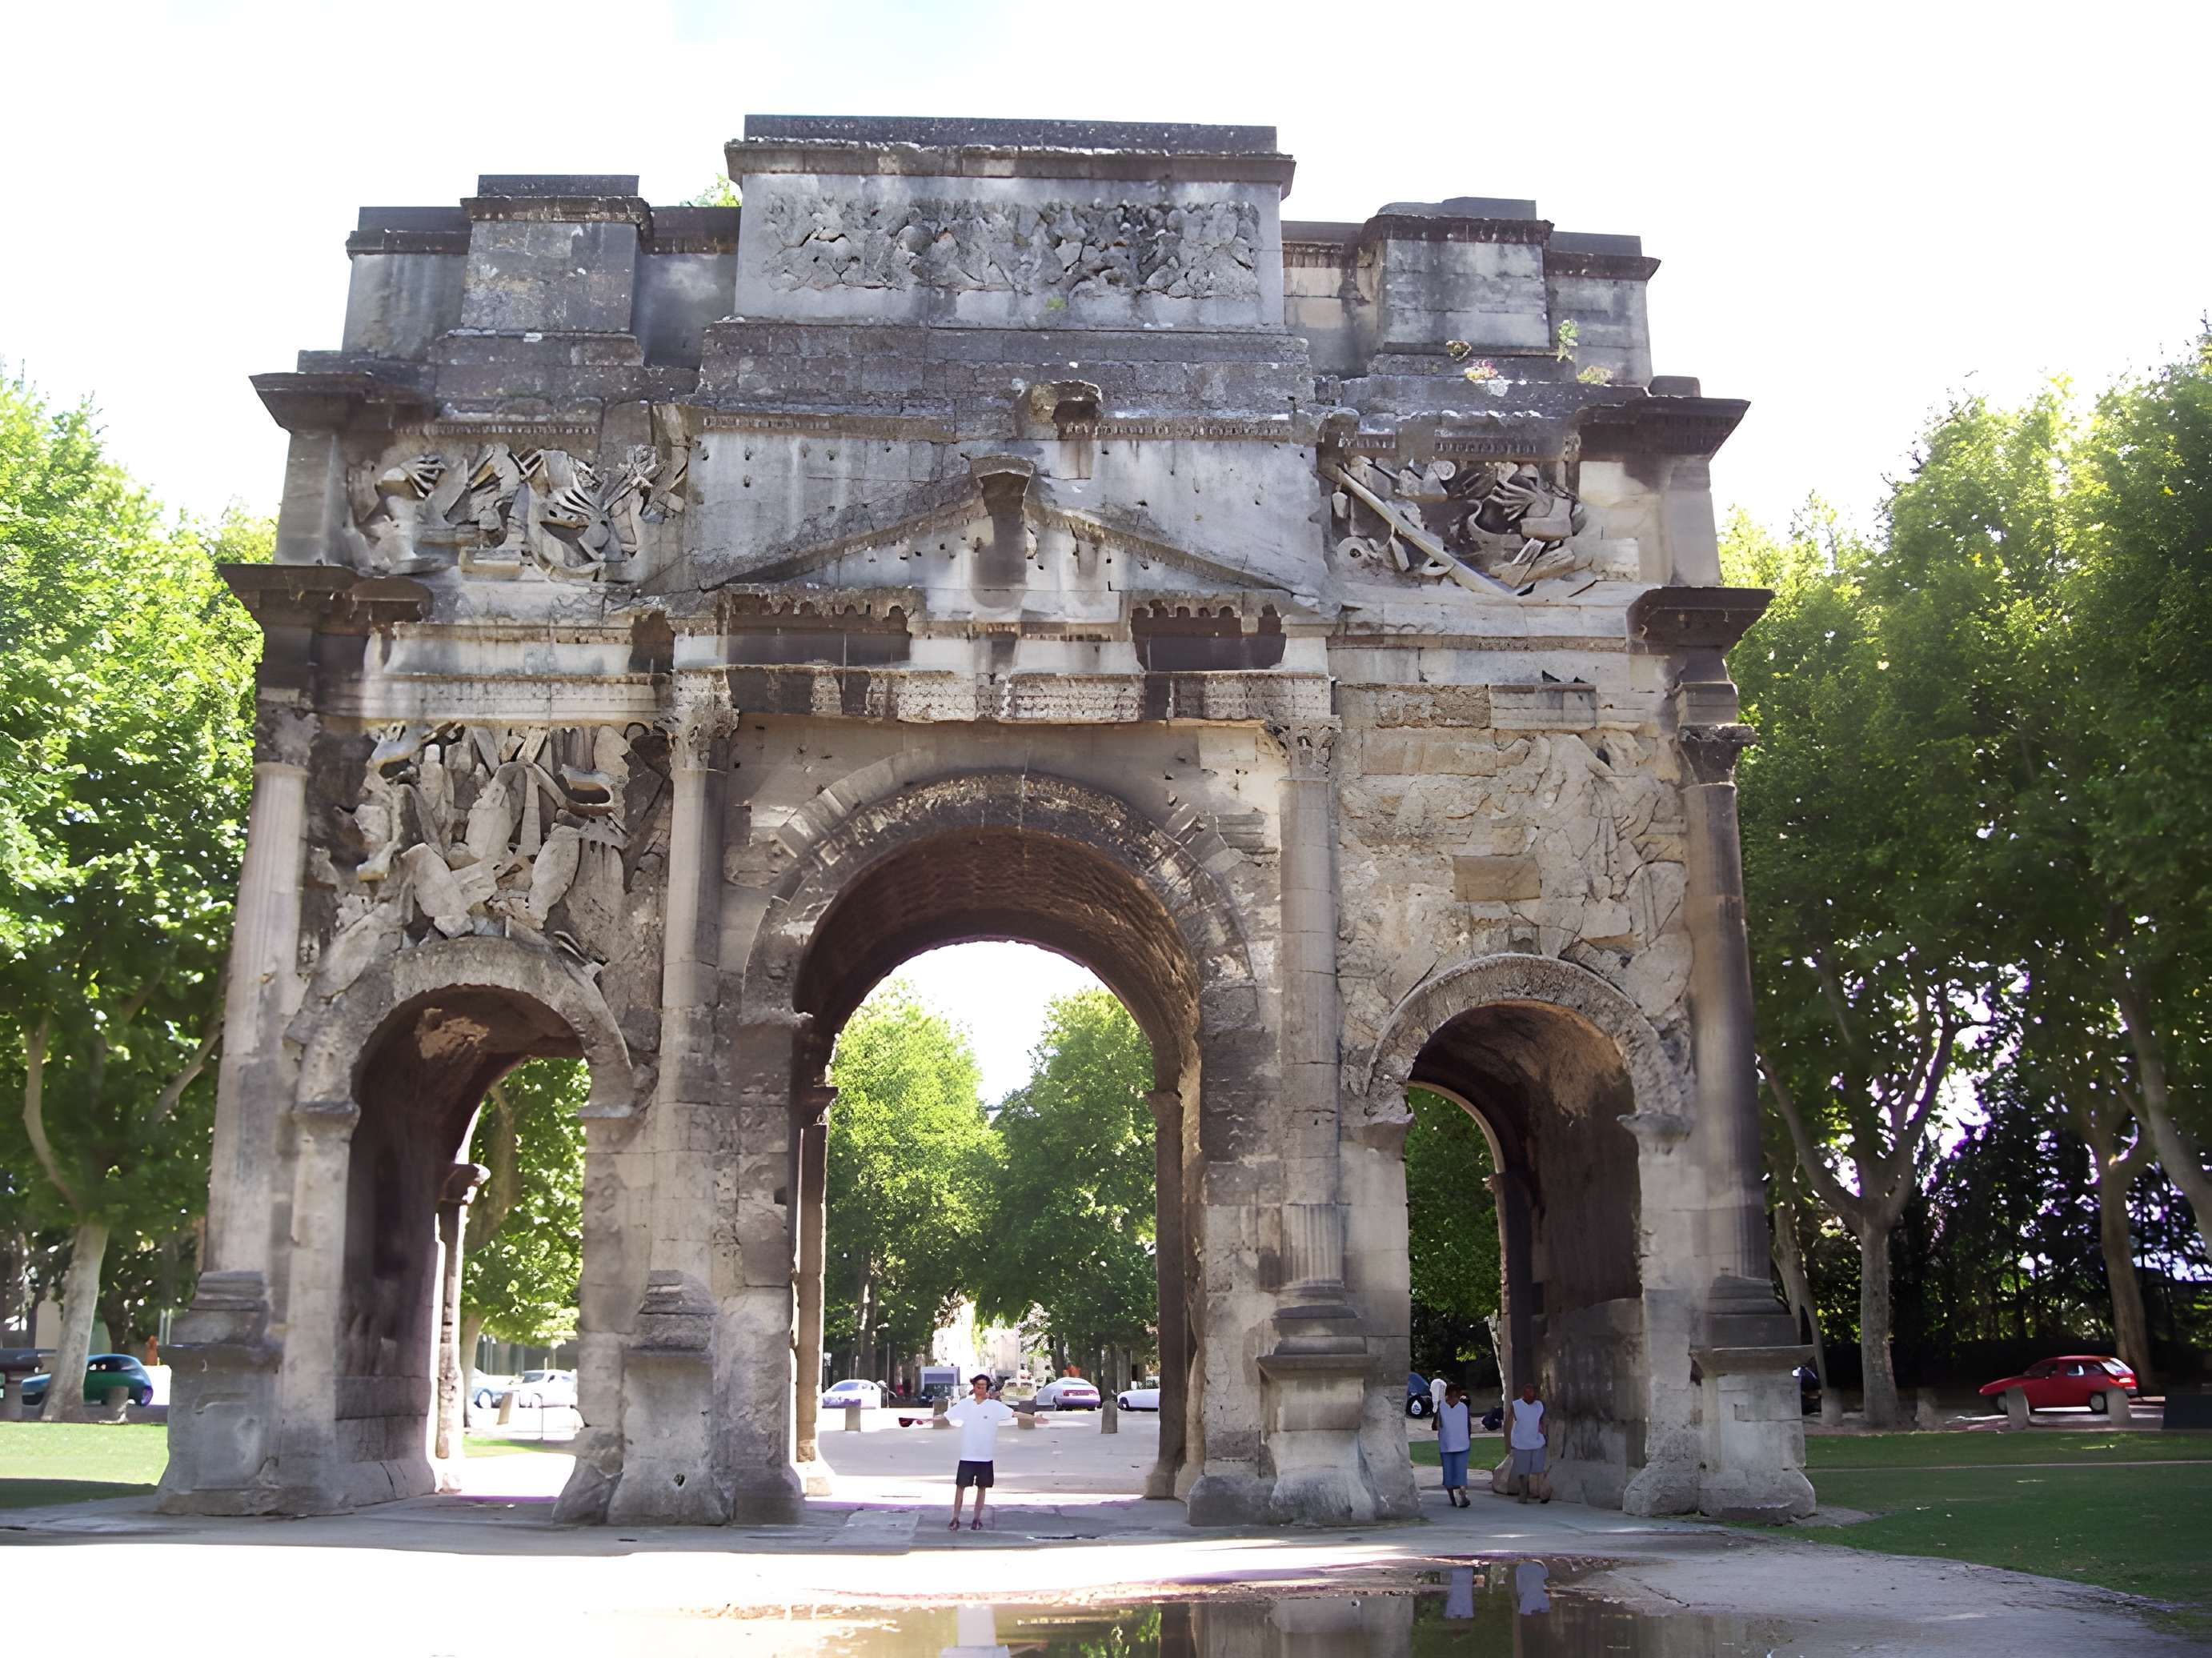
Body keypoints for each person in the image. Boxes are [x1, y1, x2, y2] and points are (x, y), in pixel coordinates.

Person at [944, 1372, 1015, 1531]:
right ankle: (955, 1518)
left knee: (982, 1489)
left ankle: (977, 1519)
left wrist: (1034, 1418)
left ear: (987, 1388)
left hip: (985, 1456)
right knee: (960, 1487)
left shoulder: (994, 1406)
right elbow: (947, 1416)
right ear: (974, 1388)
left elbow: (1013, 1414)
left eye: (984, 1386)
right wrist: (926, 1421)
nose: (981, 1389)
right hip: (968, 1455)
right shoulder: (965, 1405)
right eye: (978, 1386)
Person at [1507, 1380, 1550, 1504]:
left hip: (1537, 1442)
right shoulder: (1516, 1405)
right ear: (1524, 1394)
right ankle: (1523, 1492)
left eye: (1534, 1393)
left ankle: (1542, 1493)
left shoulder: (1539, 1405)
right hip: (1521, 1442)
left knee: (1539, 1469)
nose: (1533, 1395)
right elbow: (1509, 1423)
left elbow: (1542, 1422)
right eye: (1530, 1393)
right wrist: (1508, 1443)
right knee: (1523, 1471)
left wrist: (1545, 1435)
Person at [1436, 1380, 1473, 1508]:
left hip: (1454, 1445)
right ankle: (1458, 1495)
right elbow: (1468, 1426)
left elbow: (1435, 1426)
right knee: (1455, 1473)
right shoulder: (1455, 1407)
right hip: (1454, 1445)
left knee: (1454, 1473)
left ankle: (1457, 1497)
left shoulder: (1453, 1407)